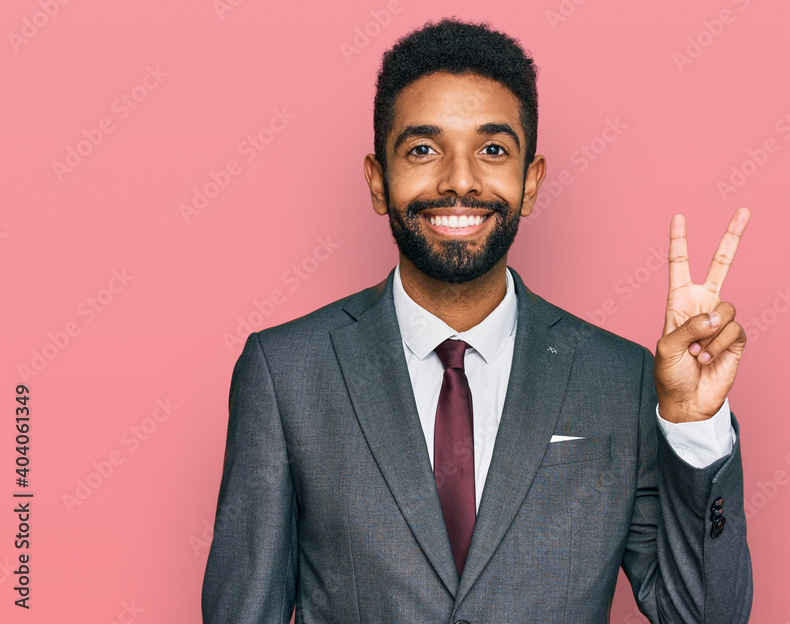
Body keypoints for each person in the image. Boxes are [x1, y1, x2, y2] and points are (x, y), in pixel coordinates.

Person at [202, 17, 753, 624]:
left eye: (492, 150)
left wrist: (693, 425)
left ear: (531, 182)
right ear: (377, 181)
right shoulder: (286, 373)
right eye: (422, 149)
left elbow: (704, 616)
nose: (459, 180)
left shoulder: (621, 380)